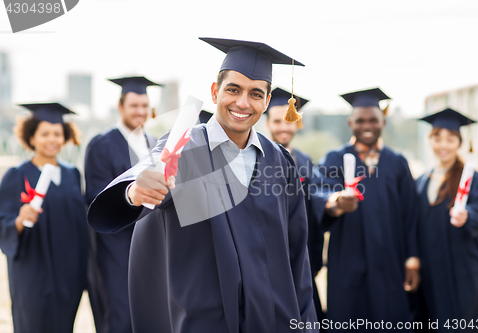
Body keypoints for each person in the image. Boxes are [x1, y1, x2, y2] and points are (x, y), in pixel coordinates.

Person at [87, 37, 317, 332]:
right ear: (215, 91)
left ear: (267, 101)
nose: (243, 103)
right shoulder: (185, 147)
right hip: (205, 320)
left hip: (271, 319)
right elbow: (149, 169)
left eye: (255, 94)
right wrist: (134, 191)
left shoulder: (280, 161)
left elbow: (297, 254)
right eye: (233, 90)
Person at [313, 88, 420, 331]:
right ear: (350, 123)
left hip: (390, 260)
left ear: (383, 121)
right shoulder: (334, 158)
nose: (367, 125)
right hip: (349, 259)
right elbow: (319, 192)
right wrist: (336, 202)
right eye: (360, 120)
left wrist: (412, 262)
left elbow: (410, 214)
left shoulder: (397, 162)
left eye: (373, 120)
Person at [0, 103, 89, 332]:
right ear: (31, 138)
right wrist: (20, 219)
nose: (52, 139)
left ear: (65, 137)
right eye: (45, 134)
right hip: (33, 273)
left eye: (57, 134)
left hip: (68, 273)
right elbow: (3, 222)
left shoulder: (72, 174)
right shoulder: (17, 175)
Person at [84, 76, 160, 333]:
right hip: (115, 246)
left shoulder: (156, 144)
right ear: (120, 107)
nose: (140, 111)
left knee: (149, 313)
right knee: (120, 315)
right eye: (134, 105)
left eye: (144, 106)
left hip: (151, 243)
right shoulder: (102, 144)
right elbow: (95, 197)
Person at [415, 108, 478, 332]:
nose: (443, 145)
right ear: (430, 140)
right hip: (433, 266)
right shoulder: (421, 181)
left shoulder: (473, 178)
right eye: (437, 138)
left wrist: (467, 215)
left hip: (464, 265)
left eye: (450, 139)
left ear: (460, 142)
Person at [265, 87, 325, 326]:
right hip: (268, 262)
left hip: (301, 260)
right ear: (267, 121)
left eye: (289, 121)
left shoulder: (304, 160)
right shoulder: (255, 159)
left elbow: (315, 203)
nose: (284, 127)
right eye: (277, 121)